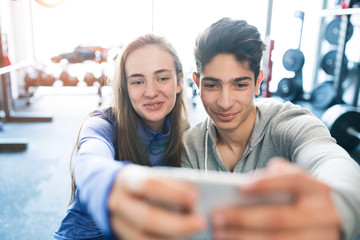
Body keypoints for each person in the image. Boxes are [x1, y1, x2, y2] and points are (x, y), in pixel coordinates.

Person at [182, 17, 360, 240]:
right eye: (212, 85)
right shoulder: (190, 144)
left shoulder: (288, 123)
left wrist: (337, 208)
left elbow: (330, 160)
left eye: (240, 85)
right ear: (197, 83)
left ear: (258, 82)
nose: (225, 102)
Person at [54, 34, 206, 240]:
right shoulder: (101, 124)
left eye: (162, 78)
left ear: (179, 82)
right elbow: (89, 161)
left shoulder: (184, 133)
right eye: (137, 82)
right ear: (125, 88)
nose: (151, 92)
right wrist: (113, 183)